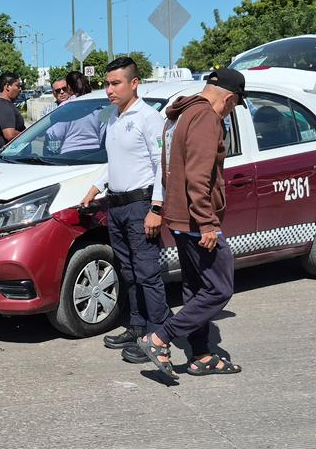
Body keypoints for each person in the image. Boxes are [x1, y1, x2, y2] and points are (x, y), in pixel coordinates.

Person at [136, 68, 246, 379]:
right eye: (234, 106)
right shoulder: (205, 117)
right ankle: (160, 338)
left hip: (179, 217)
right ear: (229, 98)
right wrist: (207, 223)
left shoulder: (179, 114)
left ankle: (202, 355)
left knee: (196, 288)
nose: (230, 111)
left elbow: (170, 167)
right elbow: (198, 175)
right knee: (219, 289)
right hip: (197, 221)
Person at [80, 57, 169, 363]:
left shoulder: (149, 118)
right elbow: (115, 162)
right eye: (107, 84)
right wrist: (95, 187)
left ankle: (157, 337)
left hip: (140, 205)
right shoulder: (114, 118)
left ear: (134, 83)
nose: (109, 90)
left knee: (147, 274)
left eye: (115, 83)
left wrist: (156, 208)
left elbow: (161, 166)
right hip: (116, 206)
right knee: (128, 273)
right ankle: (137, 327)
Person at [0, 72, 25, 148]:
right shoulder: (3, 106)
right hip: (10, 153)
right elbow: (10, 135)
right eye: (17, 86)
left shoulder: (2, 104)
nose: (20, 89)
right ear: (8, 86)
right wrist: (28, 134)